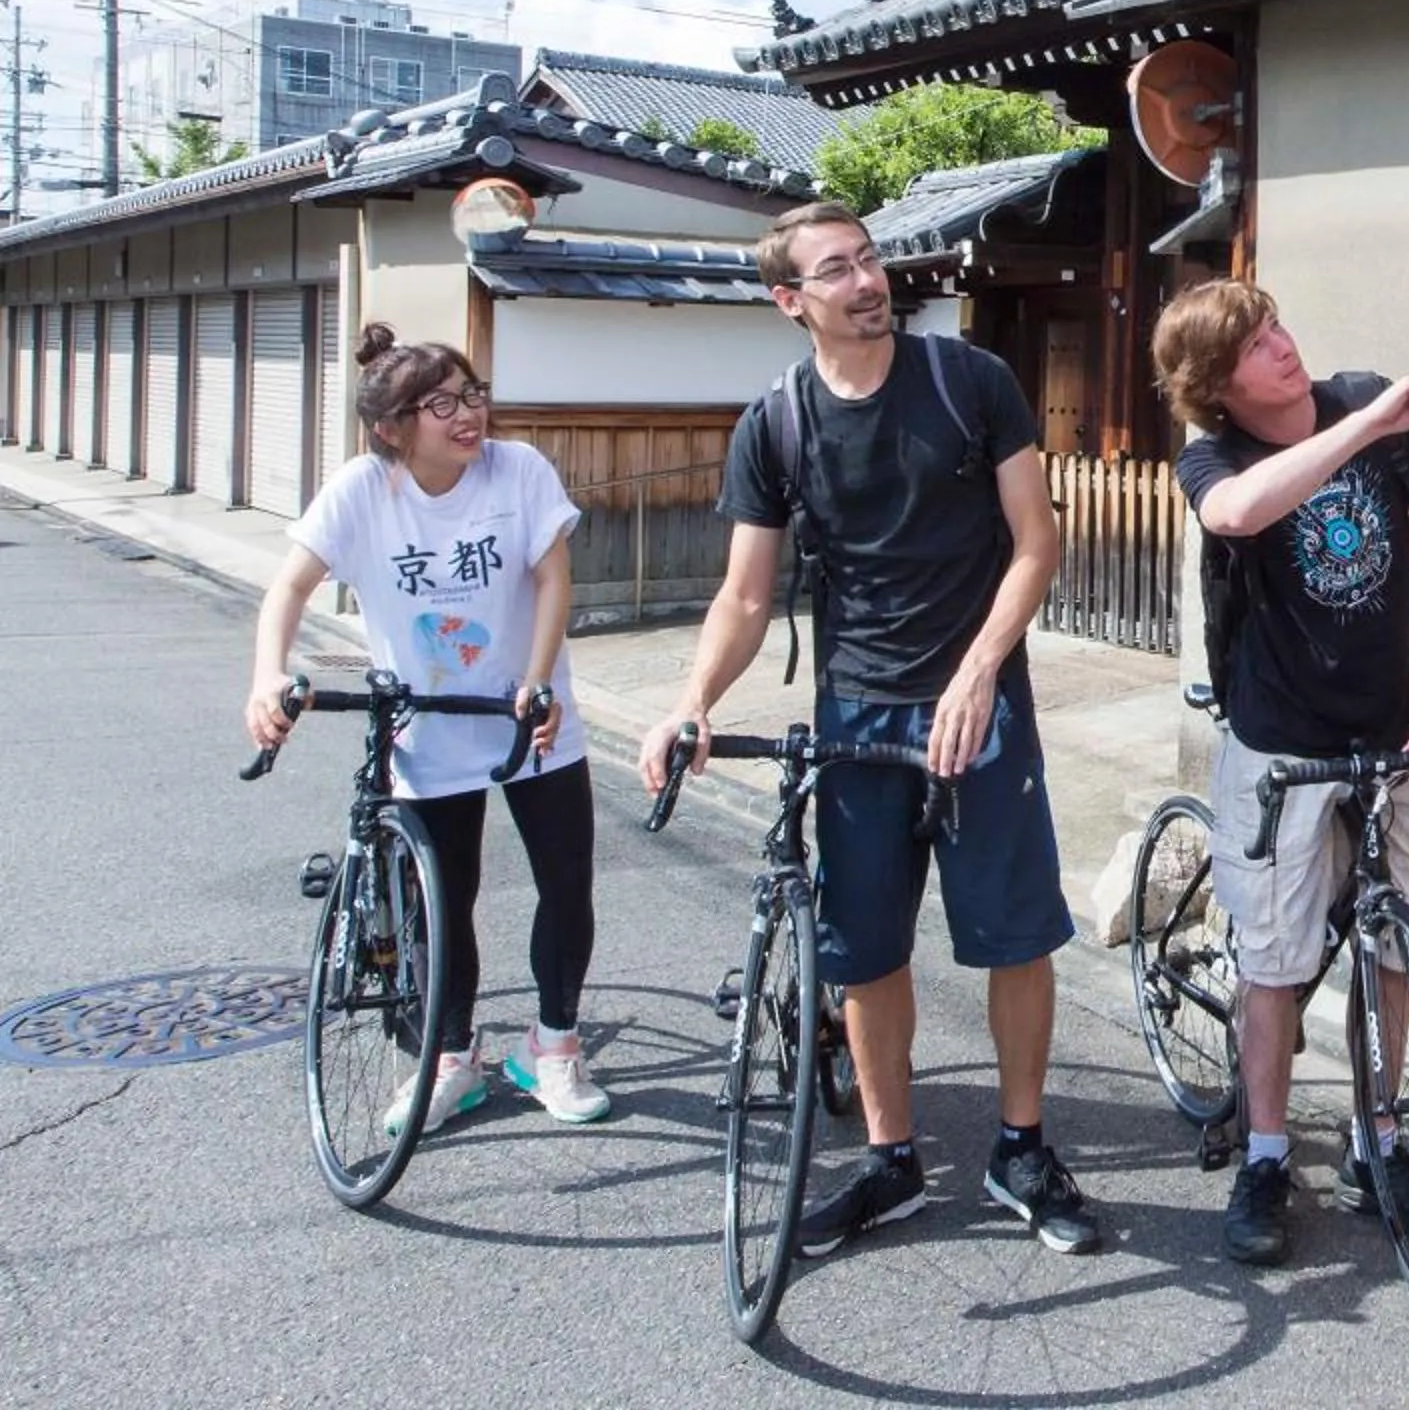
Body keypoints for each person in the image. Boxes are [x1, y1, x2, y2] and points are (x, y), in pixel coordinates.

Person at [639, 200, 1100, 1260]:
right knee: (867, 945)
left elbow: (1036, 542)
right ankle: (891, 1155)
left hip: (979, 704)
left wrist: (982, 669)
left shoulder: (969, 381)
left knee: (1017, 931)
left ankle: (1020, 1145)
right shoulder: (778, 423)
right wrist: (692, 699)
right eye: (837, 268)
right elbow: (746, 597)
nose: (867, 280)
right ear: (790, 299)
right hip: (855, 707)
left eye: (871, 258)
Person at [1150, 279, 1409, 1269]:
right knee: (1275, 960)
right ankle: (1264, 1149)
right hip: (1279, 741)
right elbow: (1242, 511)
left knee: (1389, 940)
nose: (1282, 348)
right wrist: (1370, 422)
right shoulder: (1212, 454)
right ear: (1215, 385)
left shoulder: (1366, 399)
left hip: (1392, 727)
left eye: (1276, 326)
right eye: (1252, 346)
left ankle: (1378, 1140)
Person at [245, 323, 603, 1133]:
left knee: (566, 884)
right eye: (440, 404)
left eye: (472, 393)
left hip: (528, 721)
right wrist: (268, 674)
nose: (466, 414)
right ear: (391, 428)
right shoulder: (362, 491)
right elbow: (287, 589)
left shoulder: (519, 471)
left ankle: (553, 1047)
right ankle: (450, 1057)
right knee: (445, 901)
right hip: (427, 732)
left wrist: (539, 679)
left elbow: (552, 578)